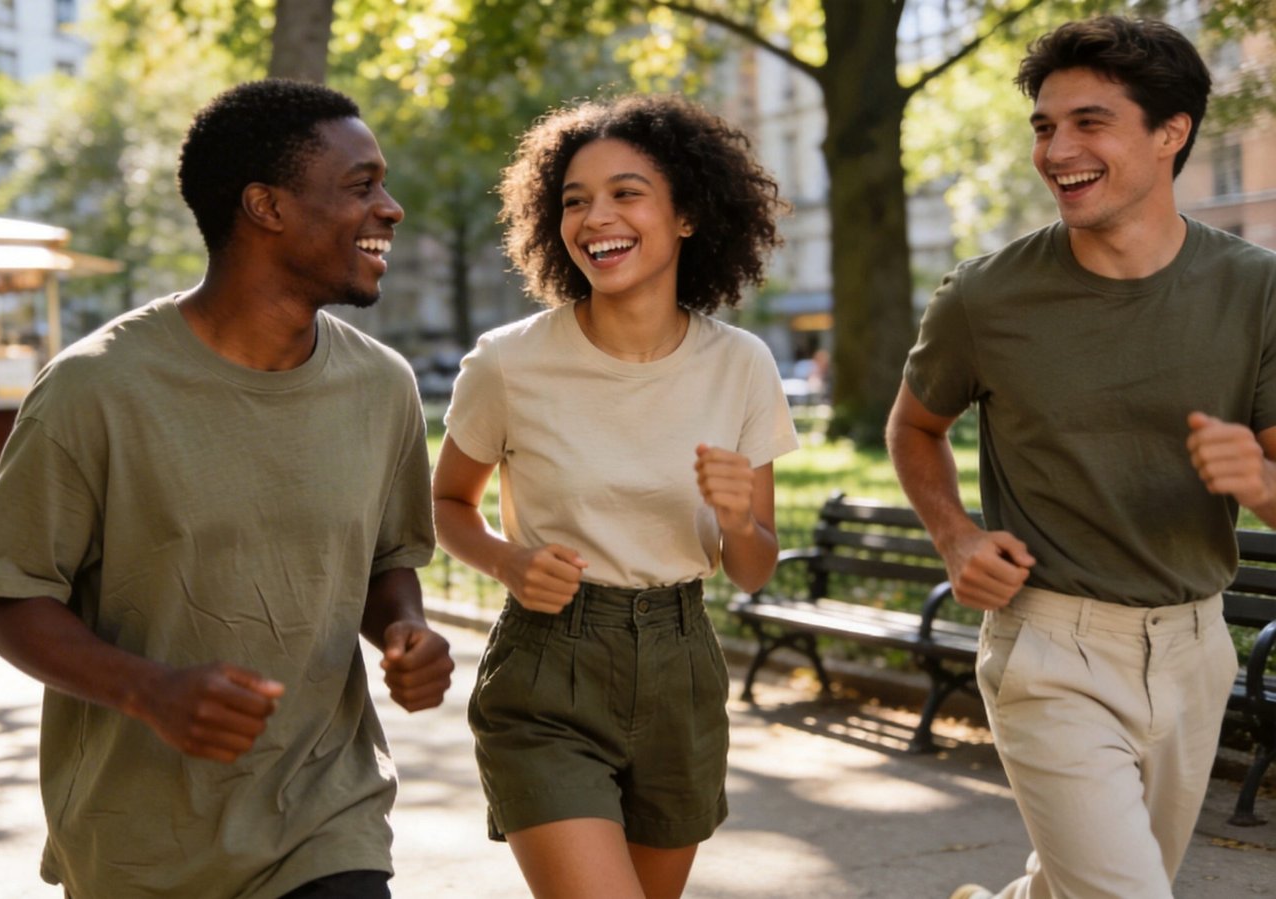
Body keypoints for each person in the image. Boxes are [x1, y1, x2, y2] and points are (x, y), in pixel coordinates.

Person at [0, 79, 455, 899]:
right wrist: (149, 691)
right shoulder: (94, 387)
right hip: (139, 844)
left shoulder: (382, 384)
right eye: (361, 186)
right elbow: (1, 597)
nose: (390, 209)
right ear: (267, 206)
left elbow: (384, 560)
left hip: (327, 816)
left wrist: (407, 629)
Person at [886, 17, 1276, 899]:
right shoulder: (986, 295)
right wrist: (955, 536)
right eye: (1044, 127)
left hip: (1195, 646)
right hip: (1049, 643)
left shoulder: (1257, 288)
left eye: (1089, 122)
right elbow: (914, 428)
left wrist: (1258, 479)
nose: (1056, 150)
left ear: (1171, 133)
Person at [433, 95, 798, 899]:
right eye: (575, 200)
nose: (596, 217)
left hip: (681, 671)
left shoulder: (742, 365)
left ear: (688, 215)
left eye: (626, 193)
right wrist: (507, 561)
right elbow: (448, 503)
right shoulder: (508, 363)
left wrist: (739, 519)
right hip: (547, 670)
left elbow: (754, 568)